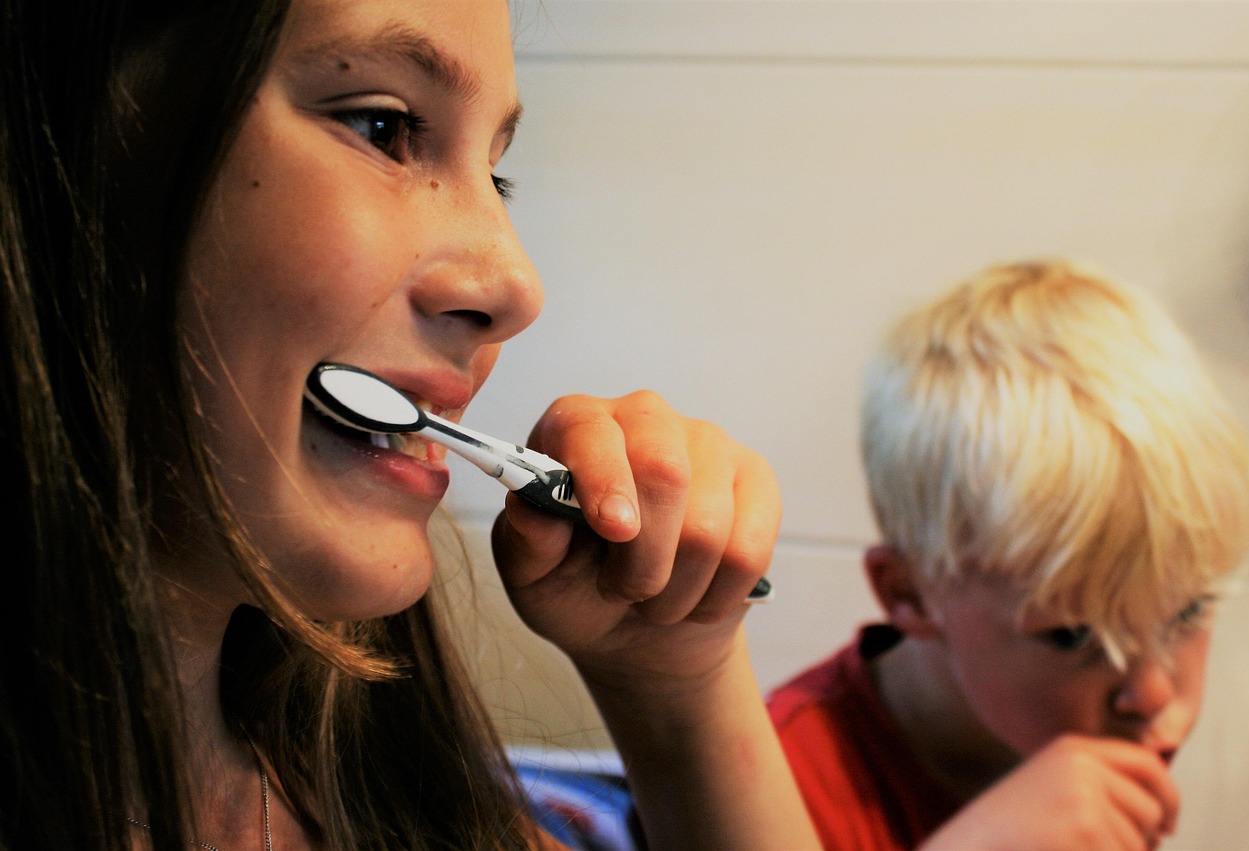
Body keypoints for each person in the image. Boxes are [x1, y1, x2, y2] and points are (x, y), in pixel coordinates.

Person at [0, 1, 821, 848]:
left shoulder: (395, 797)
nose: (516, 287)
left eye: (497, 176)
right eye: (382, 126)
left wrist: (677, 691)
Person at [767, 261, 1249, 851]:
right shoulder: (772, 793)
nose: (1153, 694)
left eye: (1189, 611)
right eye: (1075, 635)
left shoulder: (1079, 743)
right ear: (909, 592)